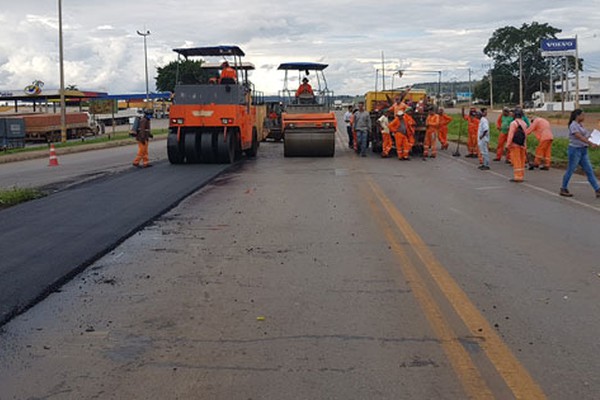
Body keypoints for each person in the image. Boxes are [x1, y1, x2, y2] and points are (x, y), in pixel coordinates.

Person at [559, 109, 600, 197]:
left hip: (583, 150)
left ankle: (597, 189)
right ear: (578, 116)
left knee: (589, 170)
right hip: (575, 150)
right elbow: (579, 137)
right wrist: (590, 143)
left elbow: (586, 136)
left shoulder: (580, 125)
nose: (584, 117)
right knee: (571, 169)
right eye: (583, 115)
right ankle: (563, 188)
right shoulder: (573, 125)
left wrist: (594, 139)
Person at [506, 108, 528, 182]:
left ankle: (517, 177)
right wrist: (525, 145)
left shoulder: (513, 123)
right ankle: (521, 175)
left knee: (516, 161)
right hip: (522, 145)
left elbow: (511, 135)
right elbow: (525, 135)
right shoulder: (524, 123)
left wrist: (508, 145)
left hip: (515, 145)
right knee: (522, 161)